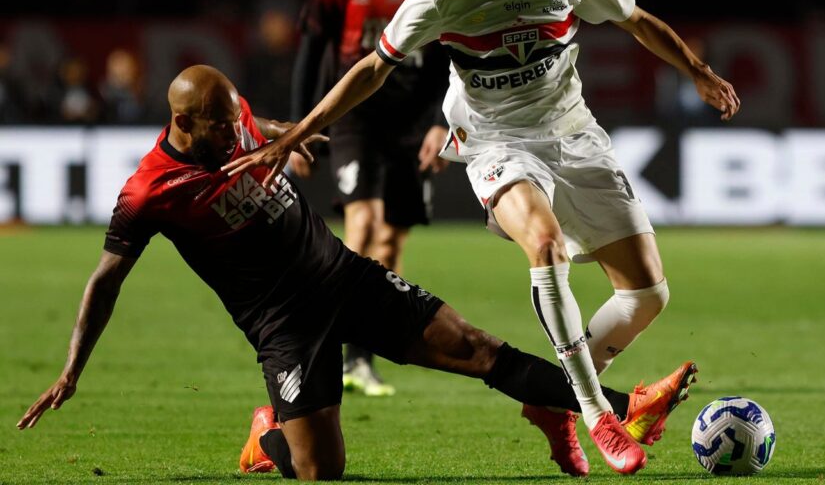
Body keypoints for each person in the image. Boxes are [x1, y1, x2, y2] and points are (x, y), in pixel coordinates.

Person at [223, 0, 735, 474]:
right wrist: (295, 131)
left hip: (574, 135)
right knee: (544, 245)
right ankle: (596, 413)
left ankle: (549, 401)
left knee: (647, 295)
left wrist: (698, 71)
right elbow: (374, 66)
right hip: (497, 143)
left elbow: (637, 19)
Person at [17, 65, 696, 480]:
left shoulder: (233, 116)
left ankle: (623, 409)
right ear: (182, 122)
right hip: (283, 326)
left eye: (238, 121)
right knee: (322, 471)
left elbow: (262, 123)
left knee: (478, 348)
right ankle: (267, 436)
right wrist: (73, 370)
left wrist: (292, 130)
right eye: (223, 130)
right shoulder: (149, 190)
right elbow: (105, 279)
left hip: (343, 274)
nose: (237, 135)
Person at [288, 0, 451, 397]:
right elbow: (312, 51)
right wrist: (301, 128)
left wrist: (445, 122)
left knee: (392, 245)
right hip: (357, 118)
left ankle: (361, 356)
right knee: (363, 226)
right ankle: (334, 352)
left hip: (414, 124)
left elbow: (455, 56)